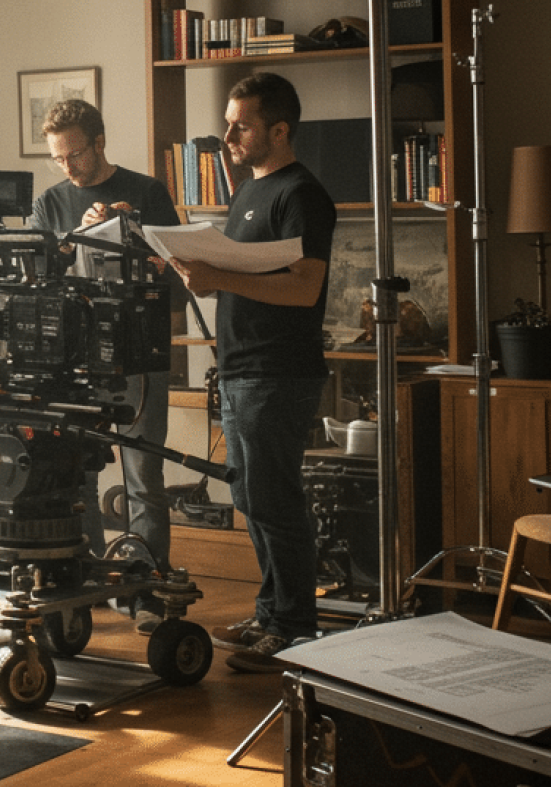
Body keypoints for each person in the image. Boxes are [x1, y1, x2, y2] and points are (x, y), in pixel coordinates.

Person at [165, 73, 336, 673]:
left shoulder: (302, 194)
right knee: (249, 497)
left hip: (278, 372)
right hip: (239, 370)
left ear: (279, 130)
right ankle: (270, 614)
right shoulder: (247, 191)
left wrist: (219, 279)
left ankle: (294, 628)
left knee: (274, 500)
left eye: (241, 123)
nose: (228, 133)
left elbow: (305, 286)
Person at [28, 98, 183, 634]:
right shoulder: (50, 202)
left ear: (99, 142)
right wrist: (75, 244)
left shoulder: (147, 192)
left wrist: (130, 233)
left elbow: (177, 280)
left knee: (143, 474)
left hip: (140, 353)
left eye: (75, 154)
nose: (68, 167)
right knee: (77, 473)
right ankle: (87, 574)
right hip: (77, 357)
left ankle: (145, 588)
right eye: (58, 158)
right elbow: (39, 282)